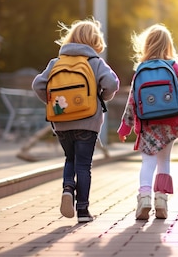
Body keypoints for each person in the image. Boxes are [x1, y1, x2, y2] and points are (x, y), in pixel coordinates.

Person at [32, 18, 120, 223]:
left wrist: (52, 102)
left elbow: (38, 84)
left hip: (61, 121)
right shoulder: (95, 62)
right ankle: (82, 211)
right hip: (88, 121)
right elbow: (112, 83)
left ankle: (67, 188)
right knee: (83, 165)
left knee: (70, 159)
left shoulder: (56, 63)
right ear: (95, 41)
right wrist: (102, 98)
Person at [117, 24, 178, 220]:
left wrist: (125, 127)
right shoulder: (176, 67)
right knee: (164, 161)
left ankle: (144, 198)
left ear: (146, 45)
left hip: (148, 123)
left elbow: (132, 101)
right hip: (171, 123)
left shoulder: (141, 70)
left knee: (147, 162)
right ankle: (161, 200)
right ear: (169, 45)